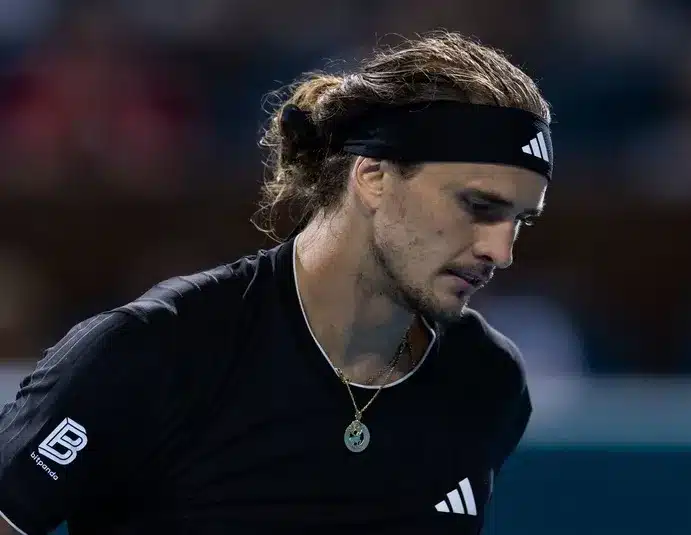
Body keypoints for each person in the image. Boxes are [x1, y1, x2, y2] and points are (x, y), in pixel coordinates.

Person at [0, 31, 553, 535]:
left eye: (520, 222)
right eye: (478, 206)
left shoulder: (488, 380)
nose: (500, 252)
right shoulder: (147, 353)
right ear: (374, 177)